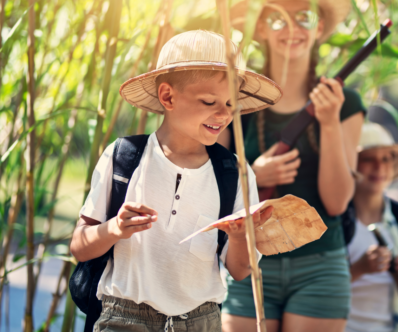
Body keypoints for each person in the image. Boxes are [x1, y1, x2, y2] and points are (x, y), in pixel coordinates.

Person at [70, 30, 282, 332]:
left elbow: (241, 270)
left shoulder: (234, 172)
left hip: (200, 321)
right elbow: (79, 246)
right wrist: (114, 228)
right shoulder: (124, 158)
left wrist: (238, 237)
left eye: (231, 104)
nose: (223, 114)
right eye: (210, 101)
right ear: (168, 96)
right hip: (123, 318)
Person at [220, 1, 365, 331]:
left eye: (305, 17)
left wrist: (329, 123)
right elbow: (212, 185)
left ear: (319, 28)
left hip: (321, 268)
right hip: (247, 263)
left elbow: (337, 202)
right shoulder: (232, 99)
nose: (292, 28)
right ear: (260, 28)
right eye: (278, 19)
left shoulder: (347, 104)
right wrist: (254, 176)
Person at [345, 121, 398, 332]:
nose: (379, 167)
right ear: (352, 164)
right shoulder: (335, 222)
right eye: (368, 159)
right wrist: (359, 269)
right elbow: (316, 292)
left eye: (386, 159)